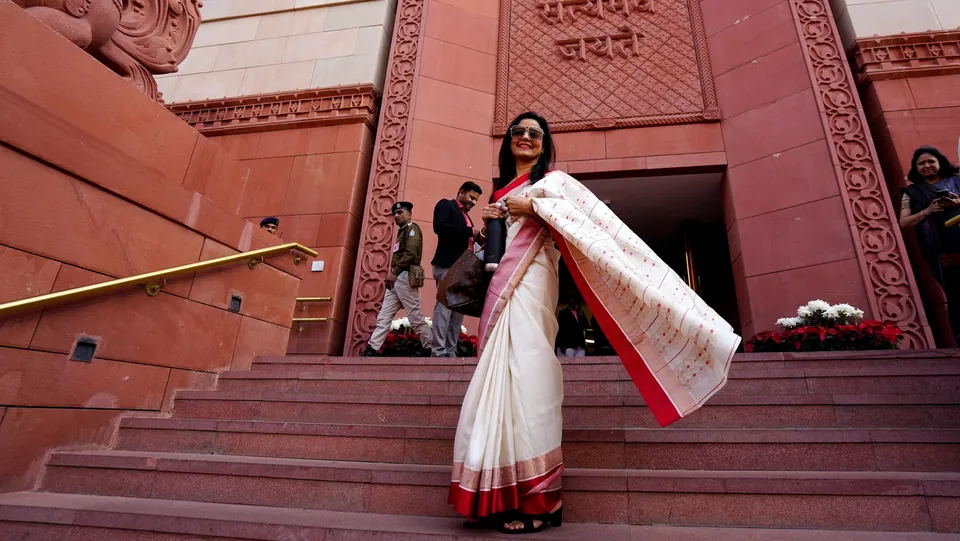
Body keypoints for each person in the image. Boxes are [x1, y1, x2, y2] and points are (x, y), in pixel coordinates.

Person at [448, 112, 740, 534]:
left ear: (545, 144)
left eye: (535, 134)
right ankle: (496, 492)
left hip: (531, 284)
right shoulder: (501, 190)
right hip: (501, 290)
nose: (526, 138)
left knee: (528, 378)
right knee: (499, 377)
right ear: (508, 141)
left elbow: (588, 226)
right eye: (519, 132)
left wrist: (532, 205)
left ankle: (540, 500)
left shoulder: (556, 184)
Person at [899, 146, 960, 339]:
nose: (926, 166)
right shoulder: (910, 193)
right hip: (940, 252)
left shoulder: (957, 180)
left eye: (931, 161)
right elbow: (904, 222)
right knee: (955, 295)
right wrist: (927, 211)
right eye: (921, 163)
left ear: (940, 162)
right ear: (915, 168)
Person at [362, 202, 433, 356]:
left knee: (415, 317)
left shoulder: (412, 229)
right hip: (396, 278)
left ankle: (430, 347)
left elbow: (411, 253)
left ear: (409, 215)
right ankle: (372, 349)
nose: (396, 216)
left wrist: (395, 273)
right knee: (384, 316)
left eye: (400, 212)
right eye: (395, 213)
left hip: (405, 276)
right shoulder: (402, 231)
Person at [431, 181, 484, 357]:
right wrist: (470, 232)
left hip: (461, 270)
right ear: (461, 192)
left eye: (476, 200)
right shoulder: (446, 205)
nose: (474, 202)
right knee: (444, 309)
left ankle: (450, 351)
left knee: (458, 312)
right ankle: (438, 351)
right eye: (472, 197)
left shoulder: (466, 217)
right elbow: (440, 227)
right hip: (446, 265)